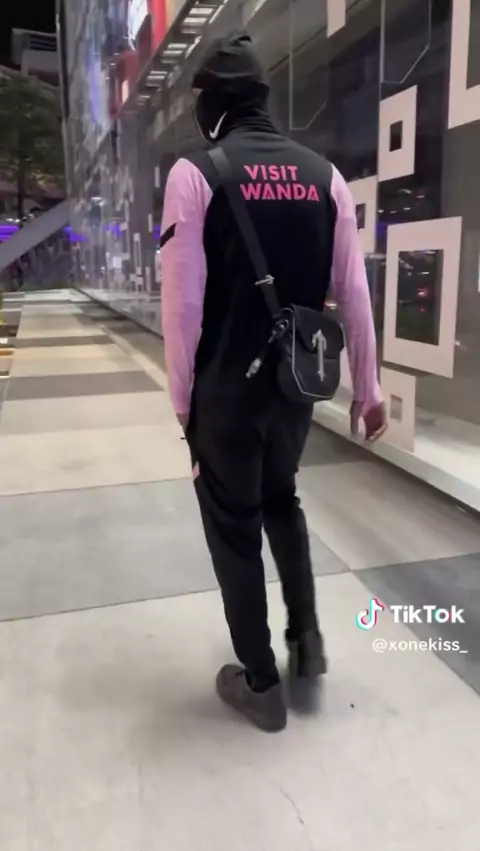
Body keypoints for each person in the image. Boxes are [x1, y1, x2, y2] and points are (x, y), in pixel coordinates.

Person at [160, 32, 386, 732]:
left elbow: (183, 308)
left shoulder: (196, 175)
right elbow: (353, 292)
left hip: (224, 393)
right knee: (280, 499)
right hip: (295, 388)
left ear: (215, 103)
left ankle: (260, 682)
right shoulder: (326, 177)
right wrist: (369, 389)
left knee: (234, 529)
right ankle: (306, 643)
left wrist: (183, 404)